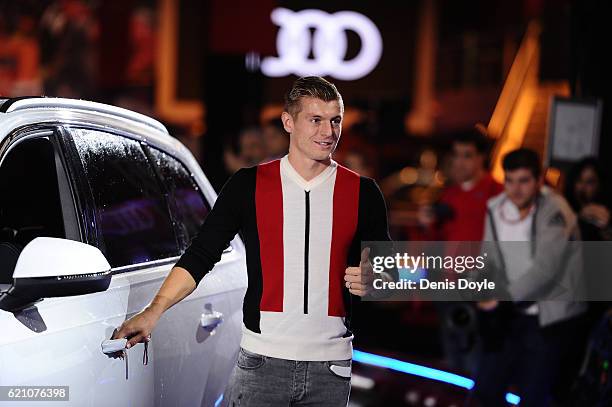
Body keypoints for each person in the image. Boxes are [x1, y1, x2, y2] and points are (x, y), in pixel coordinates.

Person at [112, 76, 396, 406]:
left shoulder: (365, 193)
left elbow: (386, 275)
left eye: (335, 121)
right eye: (315, 120)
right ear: (288, 122)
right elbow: (201, 254)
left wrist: (376, 278)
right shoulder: (248, 186)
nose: (328, 132)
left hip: (329, 369)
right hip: (261, 365)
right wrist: (154, 310)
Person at [468, 148, 587, 407]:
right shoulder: (496, 208)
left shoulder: (555, 210)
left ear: (539, 180)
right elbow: (489, 257)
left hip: (549, 319)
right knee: (485, 389)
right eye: (510, 180)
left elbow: (546, 270)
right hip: (511, 313)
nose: (515, 189)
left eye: (524, 181)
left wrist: (501, 297)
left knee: (534, 395)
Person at [417, 128, 502, 375]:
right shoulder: (449, 194)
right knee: (452, 361)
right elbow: (437, 241)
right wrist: (427, 224)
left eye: (467, 155)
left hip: (478, 289)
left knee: (477, 362)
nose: (460, 161)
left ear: (481, 158)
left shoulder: (496, 192)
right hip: (448, 287)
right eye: (456, 155)